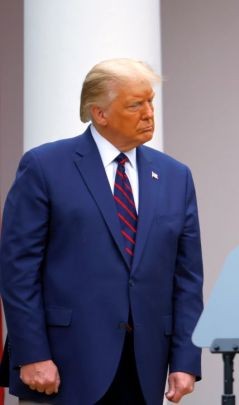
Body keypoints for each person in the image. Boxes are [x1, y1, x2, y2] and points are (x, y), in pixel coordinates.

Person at [0, 59, 204, 404]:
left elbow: (187, 278)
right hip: (61, 368)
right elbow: (18, 270)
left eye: (150, 101)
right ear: (100, 114)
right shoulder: (45, 167)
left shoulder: (175, 176)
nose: (148, 113)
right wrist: (32, 354)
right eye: (135, 105)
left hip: (143, 368)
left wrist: (185, 359)